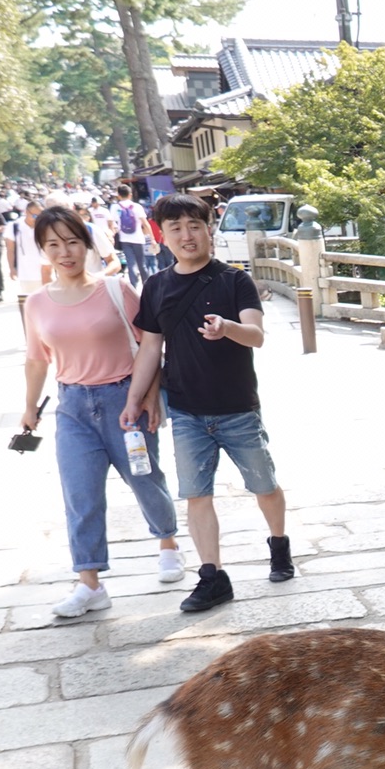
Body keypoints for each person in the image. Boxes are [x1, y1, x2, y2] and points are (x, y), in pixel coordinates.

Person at [121, 192, 291, 613]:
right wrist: (134, 398)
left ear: (208, 229)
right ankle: (212, 576)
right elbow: (149, 349)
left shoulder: (234, 280)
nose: (186, 235)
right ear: (162, 235)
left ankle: (279, 543)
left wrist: (227, 327)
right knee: (197, 494)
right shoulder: (157, 286)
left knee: (263, 484)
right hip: (186, 411)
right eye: (175, 228)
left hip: (237, 408)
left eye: (194, 225)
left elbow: (256, 335)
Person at [23, 206, 186, 617]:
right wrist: (29, 408)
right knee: (80, 495)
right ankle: (90, 583)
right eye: (54, 245)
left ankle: (167, 542)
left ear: (87, 244)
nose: (66, 252)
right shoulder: (38, 303)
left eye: (73, 242)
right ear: (43, 250)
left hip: (123, 401)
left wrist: (149, 394)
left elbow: (151, 344)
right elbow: (37, 359)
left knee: (145, 478)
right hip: (72, 406)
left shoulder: (115, 290)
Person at [111, 184, 154, 286]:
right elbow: (145, 223)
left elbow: (113, 224)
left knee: (131, 264)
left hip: (125, 239)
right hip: (138, 239)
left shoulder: (115, 207)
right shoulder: (137, 206)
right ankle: (147, 286)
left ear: (119, 195)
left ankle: (133, 288)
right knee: (142, 264)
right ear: (130, 195)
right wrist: (152, 239)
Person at [8, 200, 47, 294]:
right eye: (34, 215)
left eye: (40, 215)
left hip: (46, 271)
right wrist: (12, 268)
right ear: (26, 212)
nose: (37, 218)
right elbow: (10, 250)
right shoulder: (14, 226)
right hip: (25, 273)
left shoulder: (46, 226)